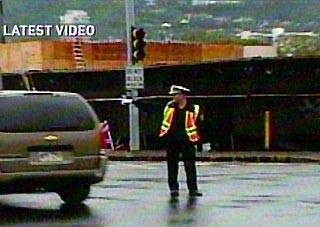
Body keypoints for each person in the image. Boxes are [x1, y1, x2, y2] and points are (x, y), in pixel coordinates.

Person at [159, 85, 203, 197]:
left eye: (175, 94)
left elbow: (201, 124)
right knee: (172, 165)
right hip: (172, 140)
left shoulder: (194, 108)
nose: (173, 97)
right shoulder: (170, 107)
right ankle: (173, 188)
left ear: (183, 95)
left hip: (187, 141)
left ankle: (193, 189)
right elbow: (155, 110)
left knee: (190, 166)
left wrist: (199, 141)